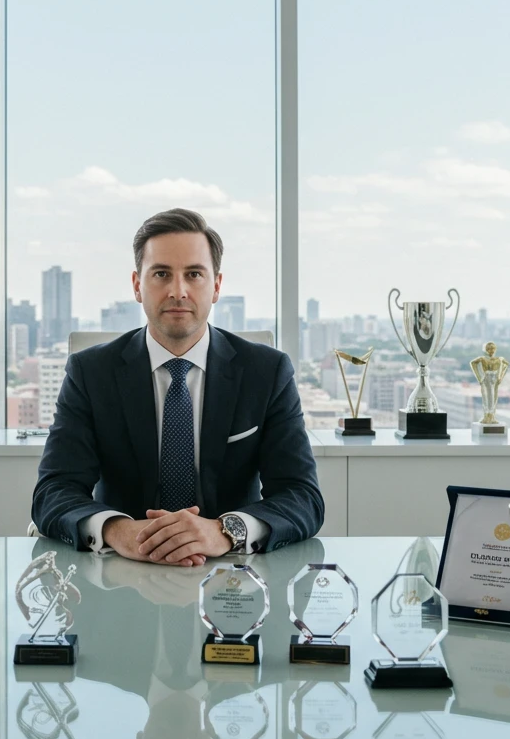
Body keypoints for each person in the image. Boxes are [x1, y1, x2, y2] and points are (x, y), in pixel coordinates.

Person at [31, 208, 324, 565]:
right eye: (161, 274)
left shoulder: (267, 372)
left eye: (194, 274)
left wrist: (225, 530)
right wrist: (119, 530)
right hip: (120, 574)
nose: (178, 291)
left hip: (232, 579)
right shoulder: (91, 373)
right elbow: (53, 492)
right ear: (138, 286)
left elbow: (302, 496)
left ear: (216, 286)